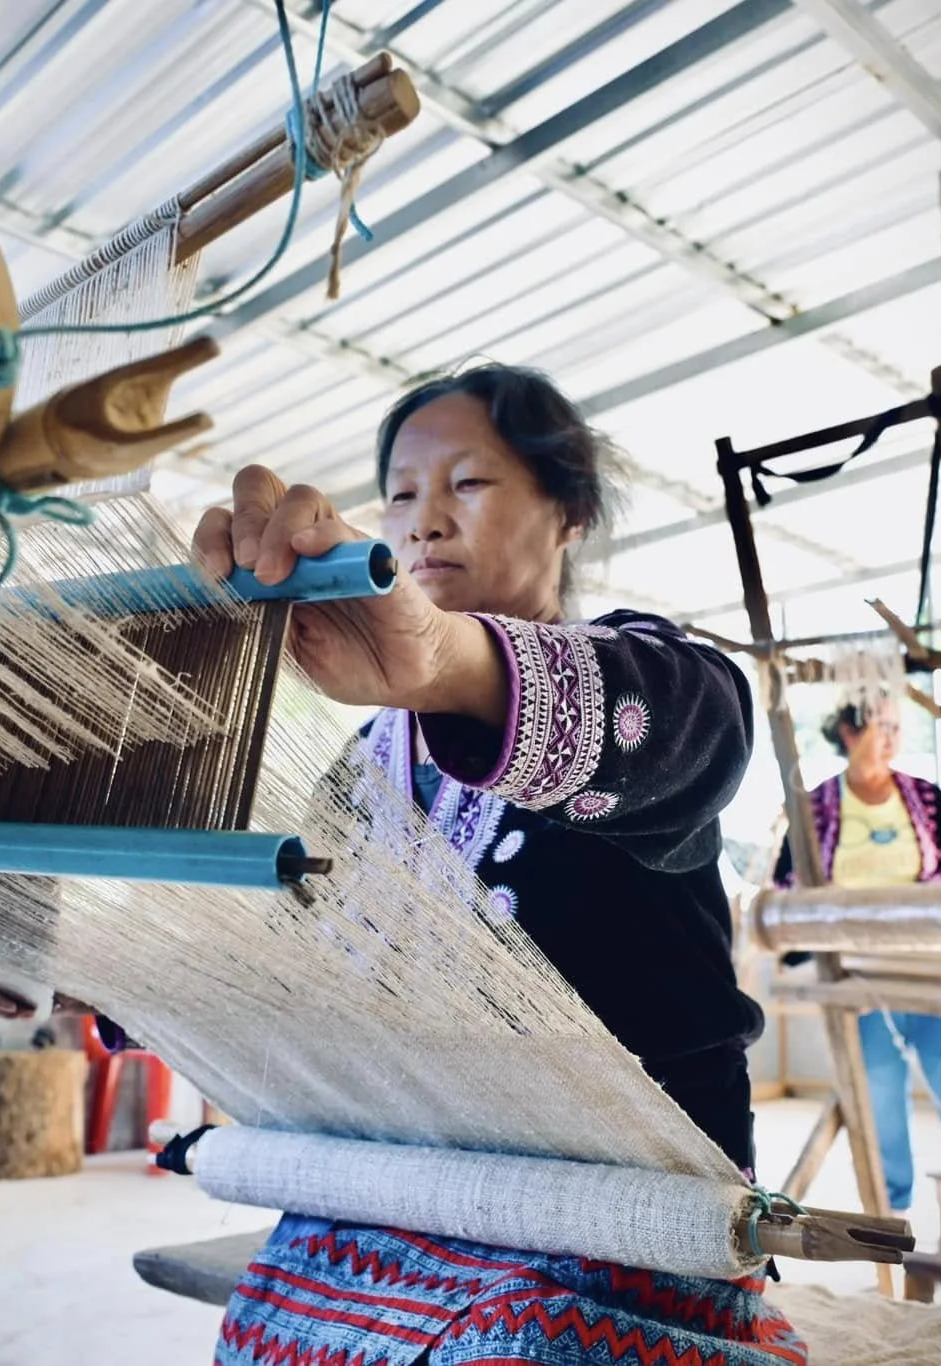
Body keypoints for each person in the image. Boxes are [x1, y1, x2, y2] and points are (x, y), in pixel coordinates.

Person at [181, 365, 801, 1364]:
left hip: (627, 1239)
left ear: (568, 514)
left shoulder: (638, 687)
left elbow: (705, 726)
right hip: (394, 1220)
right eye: (399, 493)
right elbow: (277, 962)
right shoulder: (361, 772)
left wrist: (438, 663)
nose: (421, 522)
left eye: (466, 484)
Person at [773, 695, 941, 1215]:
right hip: (857, 976)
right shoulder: (813, 808)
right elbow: (785, 881)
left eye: (898, 726)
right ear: (848, 732)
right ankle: (892, 1211)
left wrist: (911, 910)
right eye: (880, 725)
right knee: (878, 1096)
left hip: (928, 965)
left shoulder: (925, 799)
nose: (891, 736)